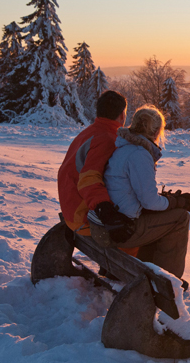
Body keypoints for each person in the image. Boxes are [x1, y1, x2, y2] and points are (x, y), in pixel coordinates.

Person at [91, 105, 190, 279]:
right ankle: (168, 282)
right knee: (180, 218)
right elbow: (149, 202)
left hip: (106, 225)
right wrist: (177, 202)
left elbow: (137, 195)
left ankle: (148, 271)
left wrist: (170, 200)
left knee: (162, 217)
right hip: (120, 230)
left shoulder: (123, 148)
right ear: (156, 131)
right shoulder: (139, 154)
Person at [57, 90, 134, 248]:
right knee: (140, 228)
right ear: (122, 115)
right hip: (82, 217)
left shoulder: (89, 133)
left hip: (70, 209)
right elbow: (90, 179)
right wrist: (106, 212)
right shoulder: (107, 139)